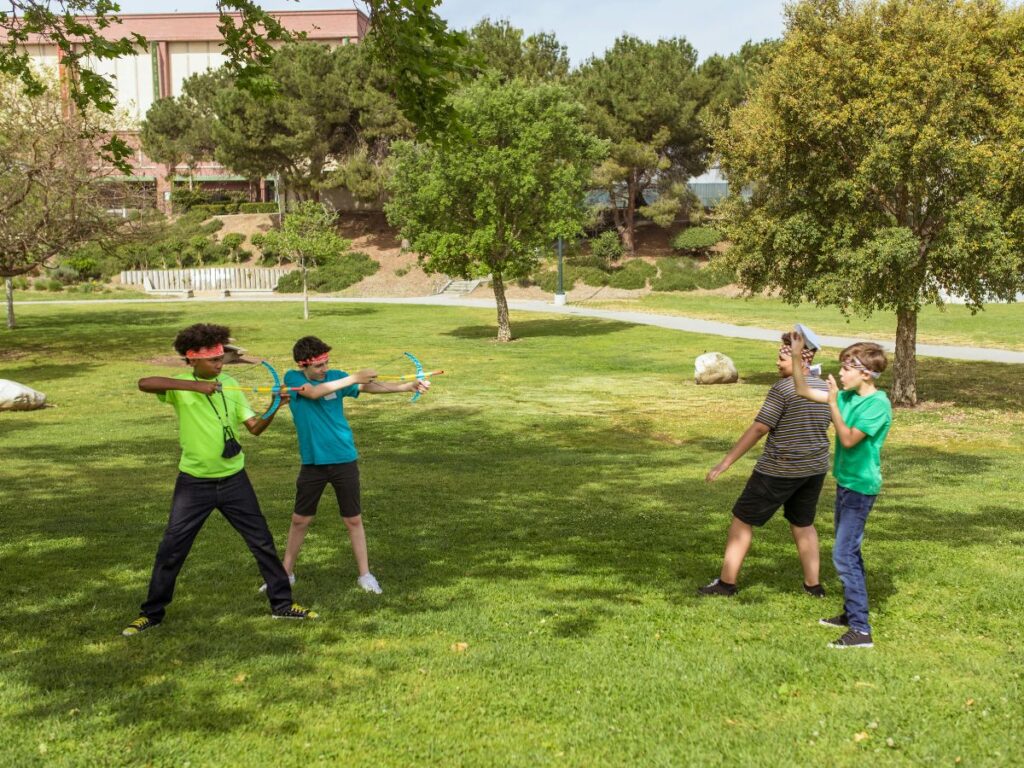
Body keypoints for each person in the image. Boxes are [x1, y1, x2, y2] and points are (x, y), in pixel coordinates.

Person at [122, 323, 317, 637]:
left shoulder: (228, 383)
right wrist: (194, 388)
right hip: (194, 483)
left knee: (262, 543)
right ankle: (152, 614)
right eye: (213, 361)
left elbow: (254, 428)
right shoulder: (179, 385)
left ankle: (282, 605)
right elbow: (145, 382)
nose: (219, 365)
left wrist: (275, 406)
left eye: (220, 360)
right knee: (171, 549)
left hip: (234, 480)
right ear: (193, 360)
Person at [267, 336, 429, 595]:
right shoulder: (295, 379)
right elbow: (314, 393)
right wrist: (354, 377)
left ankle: (365, 575)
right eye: (319, 366)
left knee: (353, 519)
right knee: (300, 519)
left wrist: (407, 386)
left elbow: (370, 387)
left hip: (344, 458)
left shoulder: (337, 377)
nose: (324, 369)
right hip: (313, 462)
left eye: (326, 364)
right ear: (303, 365)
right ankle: (286, 574)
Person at [699, 332, 832, 598]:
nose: (777, 362)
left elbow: (760, 428)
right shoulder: (827, 388)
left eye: (782, 356)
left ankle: (726, 584)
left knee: (742, 519)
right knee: (803, 523)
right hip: (814, 469)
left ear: (800, 358)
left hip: (778, 469)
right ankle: (813, 586)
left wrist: (725, 462)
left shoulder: (783, 389)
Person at [791, 330, 892, 649]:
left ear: (865, 373)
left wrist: (833, 402)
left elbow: (848, 438)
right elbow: (802, 389)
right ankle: (852, 613)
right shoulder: (848, 396)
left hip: (861, 488)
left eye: (847, 369)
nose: (841, 374)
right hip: (846, 484)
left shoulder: (877, 405)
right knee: (851, 551)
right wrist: (796, 356)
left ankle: (861, 630)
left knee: (843, 554)